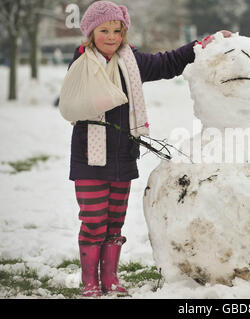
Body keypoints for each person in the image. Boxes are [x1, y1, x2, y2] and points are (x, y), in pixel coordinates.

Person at [61, 0, 231, 297]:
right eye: (104, 30)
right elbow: (73, 101)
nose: (111, 37)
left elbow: (167, 63)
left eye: (117, 30)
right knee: (93, 221)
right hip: (90, 155)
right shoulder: (83, 63)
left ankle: (110, 278)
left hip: (122, 155)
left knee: (115, 221)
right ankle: (90, 281)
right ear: (90, 33)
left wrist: (203, 44)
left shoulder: (132, 63)